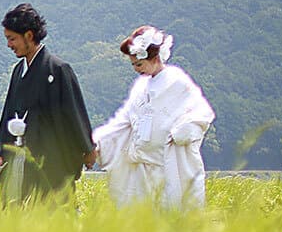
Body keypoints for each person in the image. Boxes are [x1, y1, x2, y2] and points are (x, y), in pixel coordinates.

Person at [91, 25, 215, 209]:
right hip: (144, 169)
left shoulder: (177, 81)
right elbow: (122, 122)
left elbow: (202, 113)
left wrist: (184, 131)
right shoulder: (140, 88)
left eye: (139, 64)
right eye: (133, 64)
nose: (135, 69)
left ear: (155, 58)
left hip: (172, 165)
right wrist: (96, 141)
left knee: (176, 218)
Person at [0, 3, 93, 204]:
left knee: (50, 214)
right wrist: (2, 155)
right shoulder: (18, 70)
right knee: (10, 210)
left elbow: (73, 113)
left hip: (51, 159)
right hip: (18, 156)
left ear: (29, 35)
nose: (9, 44)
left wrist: (87, 148)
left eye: (12, 39)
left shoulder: (58, 69)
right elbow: (9, 114)